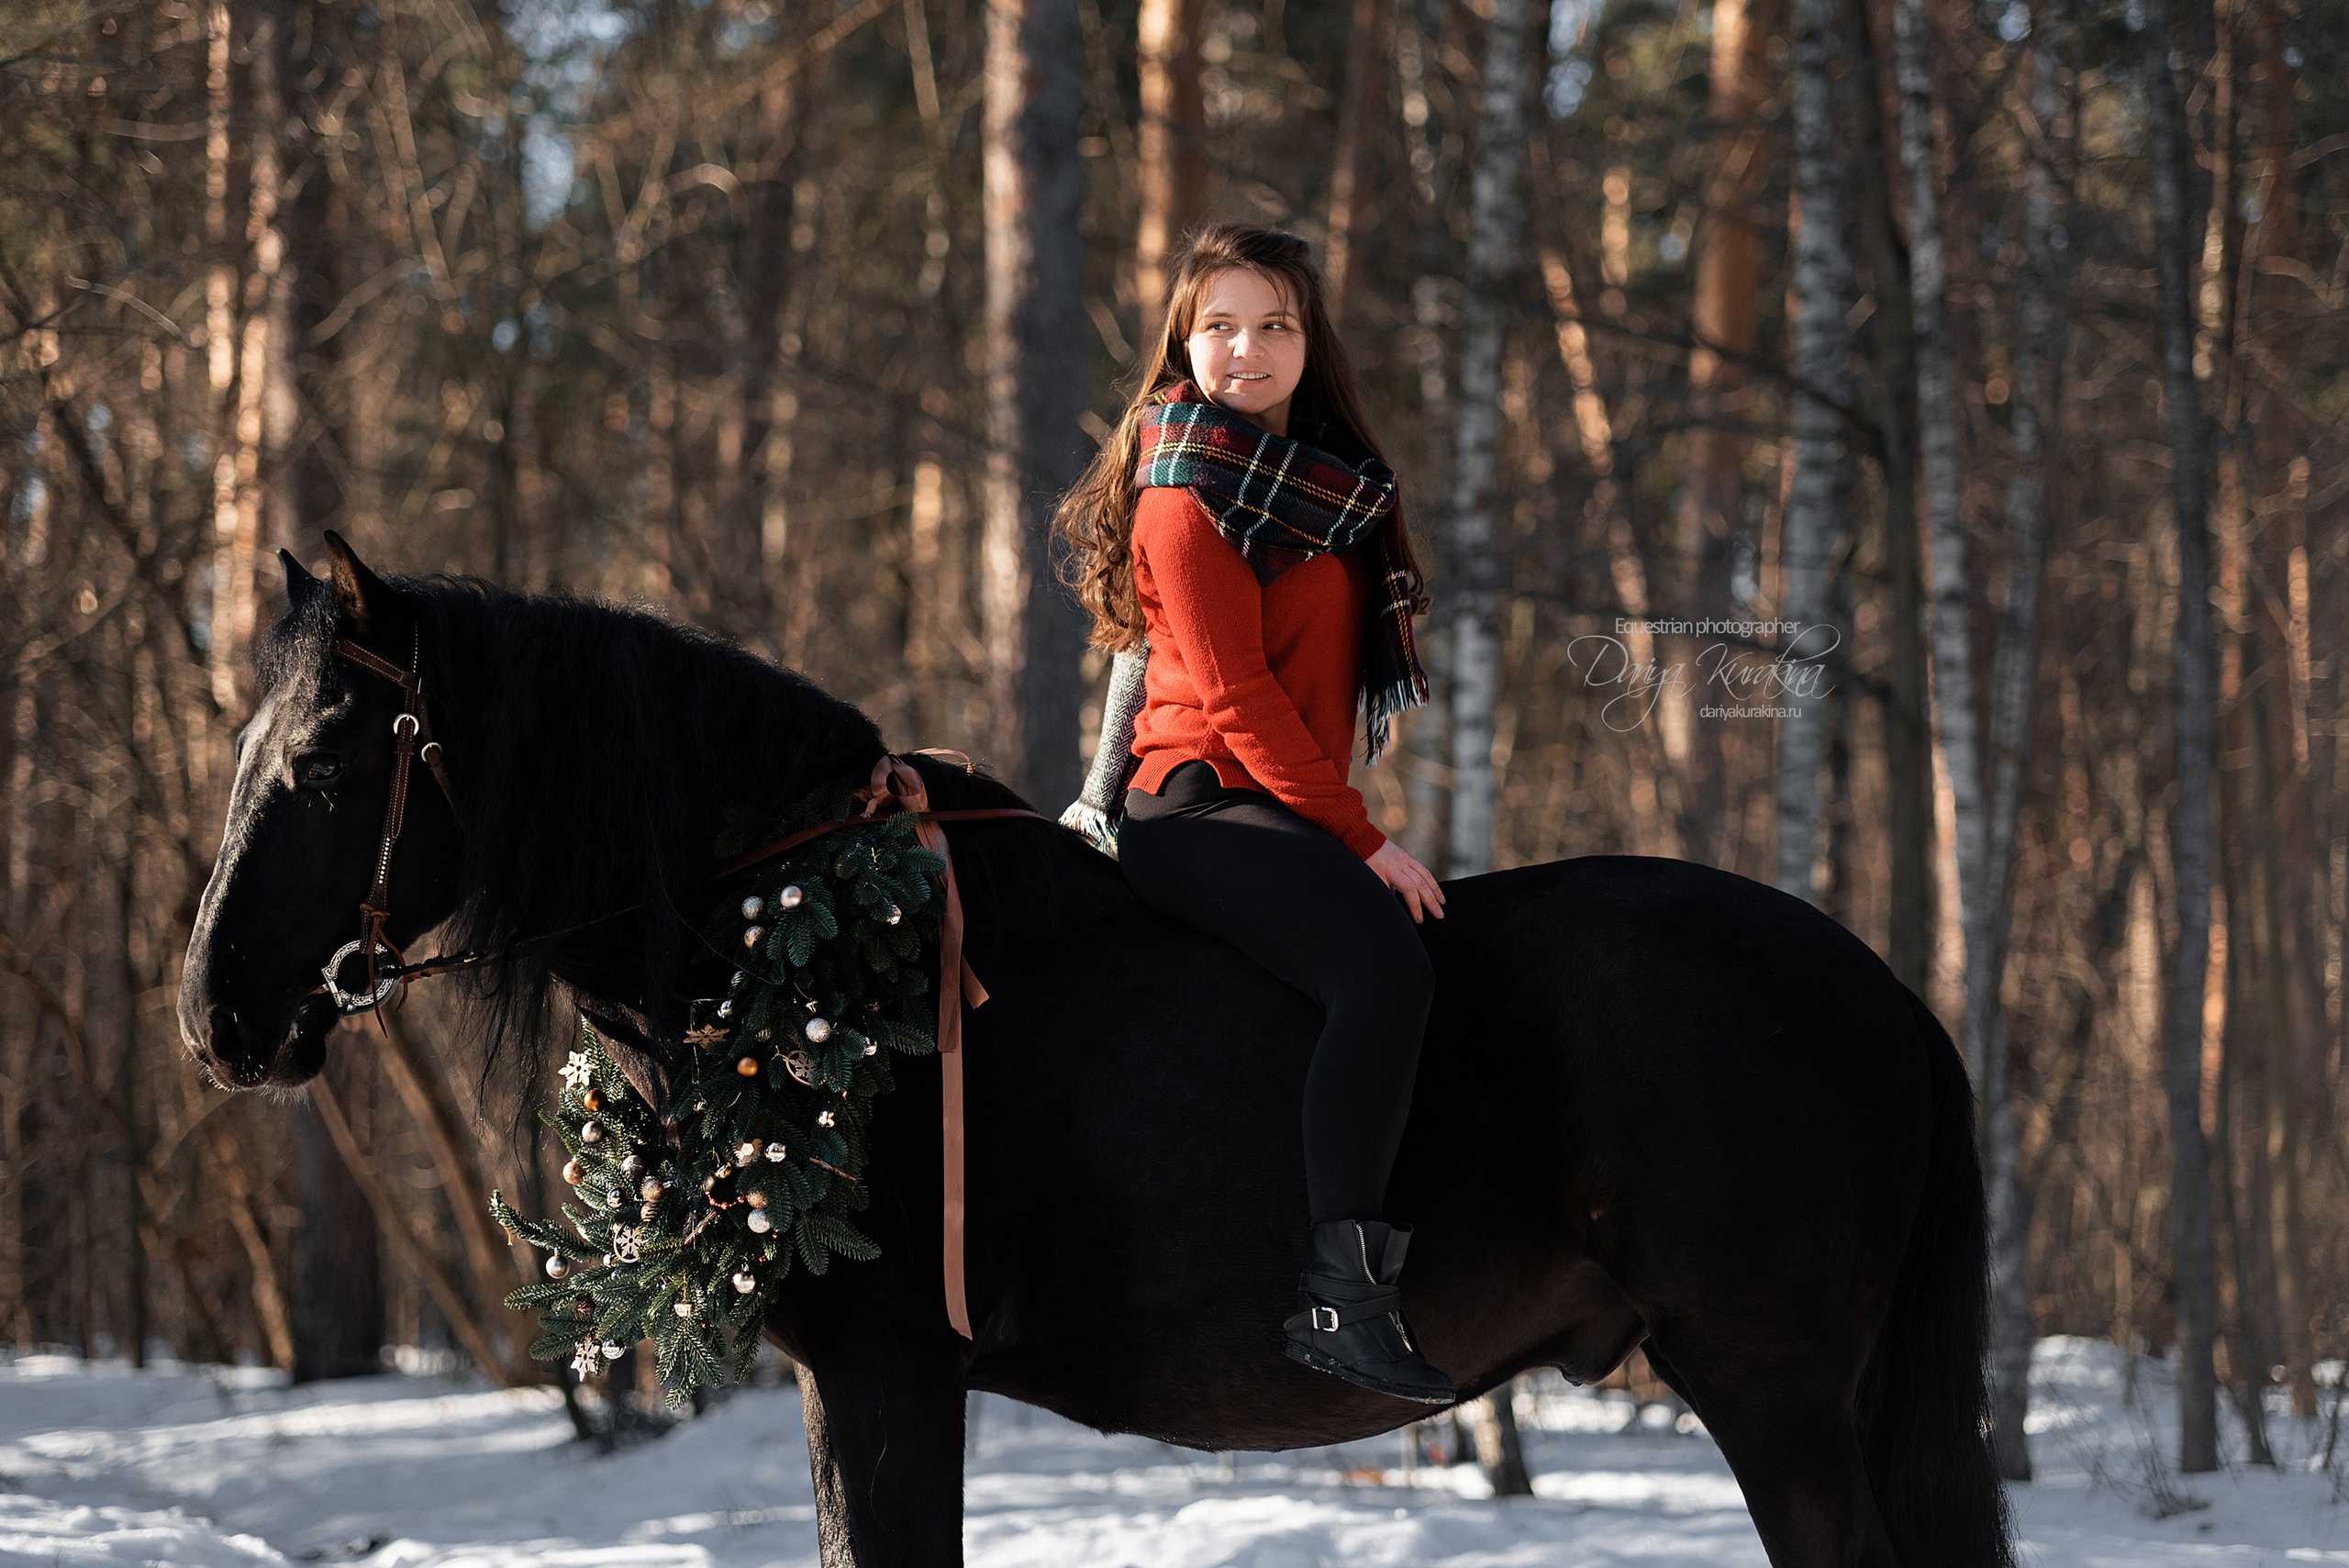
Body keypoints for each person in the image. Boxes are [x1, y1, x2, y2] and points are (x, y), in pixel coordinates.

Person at [1052, 222, 1454, 1406]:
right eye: (1220, 324)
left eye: (1275, 323)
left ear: (1308, 340)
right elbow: (1230, 696)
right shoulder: (1182, 497)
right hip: (1195, 806)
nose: (1248, 348)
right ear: (1184, 339)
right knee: (1382, 976)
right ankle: (1343, 1297)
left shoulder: (1319, 489)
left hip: (1270, 793)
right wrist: (1361, 837)